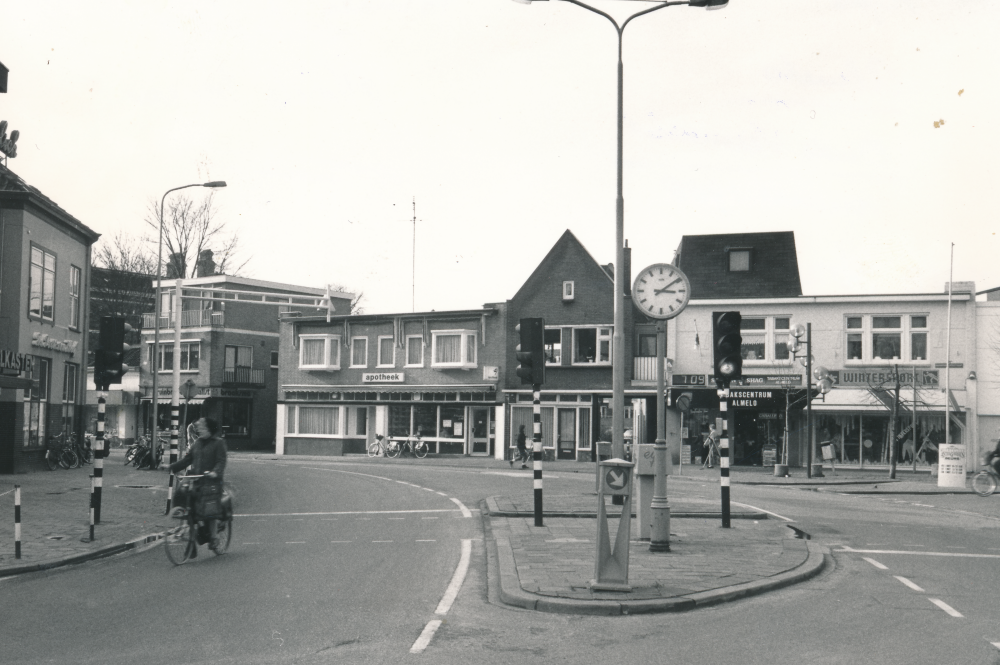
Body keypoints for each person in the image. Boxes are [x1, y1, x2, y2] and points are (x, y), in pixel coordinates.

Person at [169, 417, 227, 553]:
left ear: (209, 429)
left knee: (209, 509)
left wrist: (215, 472)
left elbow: (221, 461)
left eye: (202, 427)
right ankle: (192, 539)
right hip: (198, 481)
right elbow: (187, 460)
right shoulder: (197, 443)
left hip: (212, 483)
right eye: (198, 427)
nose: (199, 429)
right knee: (187, 501)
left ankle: (214, 537)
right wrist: (172, 467)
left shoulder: (219, 443)